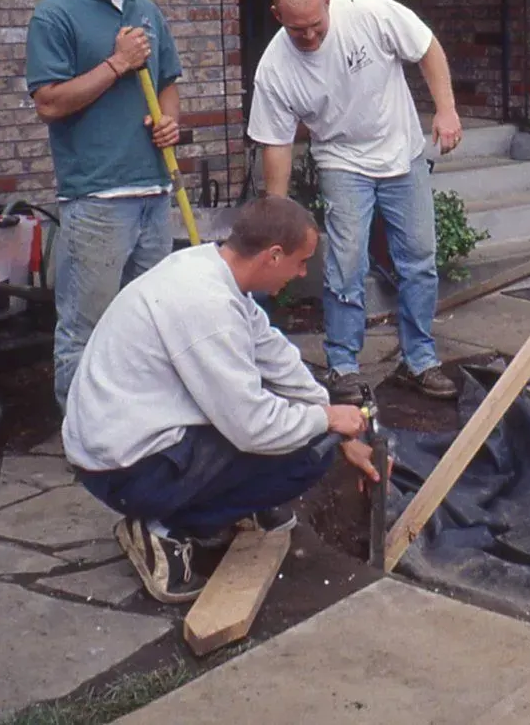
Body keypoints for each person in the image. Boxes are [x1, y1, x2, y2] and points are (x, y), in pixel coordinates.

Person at [64, 196, 379, 603]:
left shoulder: (211, 270)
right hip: (123, 467)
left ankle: (217, 504)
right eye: (301, 262)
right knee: (307, 453)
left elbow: (275, 356)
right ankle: (164, 529)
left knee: (311, 432)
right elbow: (252, 426)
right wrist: (327, 422)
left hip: (122, 440)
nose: (302, 273)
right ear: (273, 255)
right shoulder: (206, 306)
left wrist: (339, 424)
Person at [247, 0, 463, 404]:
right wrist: (277, 208)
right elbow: (277, 141)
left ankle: (419, 359)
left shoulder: (369, 12)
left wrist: (446, 110)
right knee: (346, 265)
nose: (309, 36)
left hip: (402, 153)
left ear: (327, 2)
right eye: (296, 29)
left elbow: (427, 48)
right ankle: (343, 365)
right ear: (276, 16)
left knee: (418, 259)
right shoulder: (274, 69)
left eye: (315, 26)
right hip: (341, 161)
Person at [25, 0, 182, 408]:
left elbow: (168, 82)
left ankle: (140, 427)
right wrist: (116, 64)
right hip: (97, 200)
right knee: (85, 328)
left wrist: (171, 121)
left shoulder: (147, 12)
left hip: (156, 193)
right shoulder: (56, 15)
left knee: (154, 323)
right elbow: (48, 103)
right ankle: (82, 438)